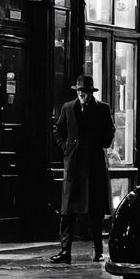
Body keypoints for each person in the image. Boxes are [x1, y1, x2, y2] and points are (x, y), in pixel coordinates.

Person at [49, 75, 115, 264]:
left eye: (85, 92)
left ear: (91, 93)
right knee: (67, 210)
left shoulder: (102, 108)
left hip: (94, 165)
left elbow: (109, 130)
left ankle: (98, 250)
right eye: (79, 92)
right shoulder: (68, 108)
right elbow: (58, 129)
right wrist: (66, 148)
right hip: (74, 165)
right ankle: (65, 251)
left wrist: (102, 142)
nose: (82, 95)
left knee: (95, 210)